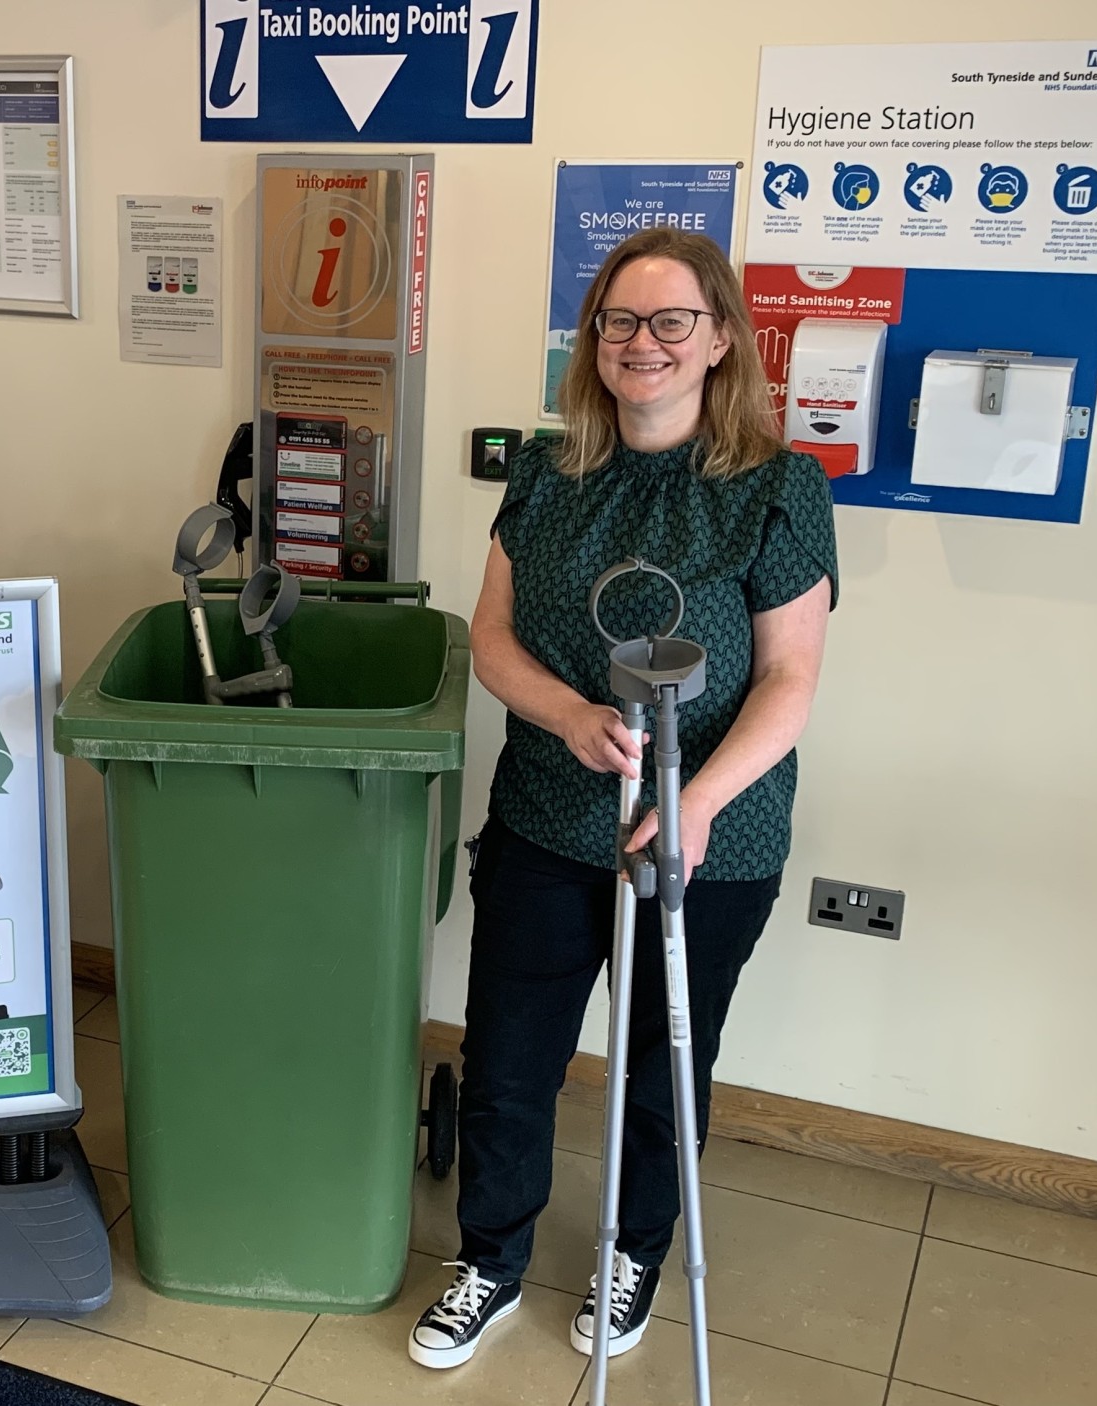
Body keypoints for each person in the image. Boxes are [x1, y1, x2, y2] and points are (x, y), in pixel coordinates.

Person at [407, 227, 837, 1368]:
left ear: (720, 341)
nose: (640, 344)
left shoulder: (777, 488)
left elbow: (790, 680)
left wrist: (692, 805)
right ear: (591, 338)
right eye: (617, 321)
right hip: (551, 813)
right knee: (509, 1052)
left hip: (709, 838)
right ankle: (489, 1259)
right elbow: (489, 636)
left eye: (669, 322)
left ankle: (635, 1247)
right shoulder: (547, 475)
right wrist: (564, 714)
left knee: (660, 1063)